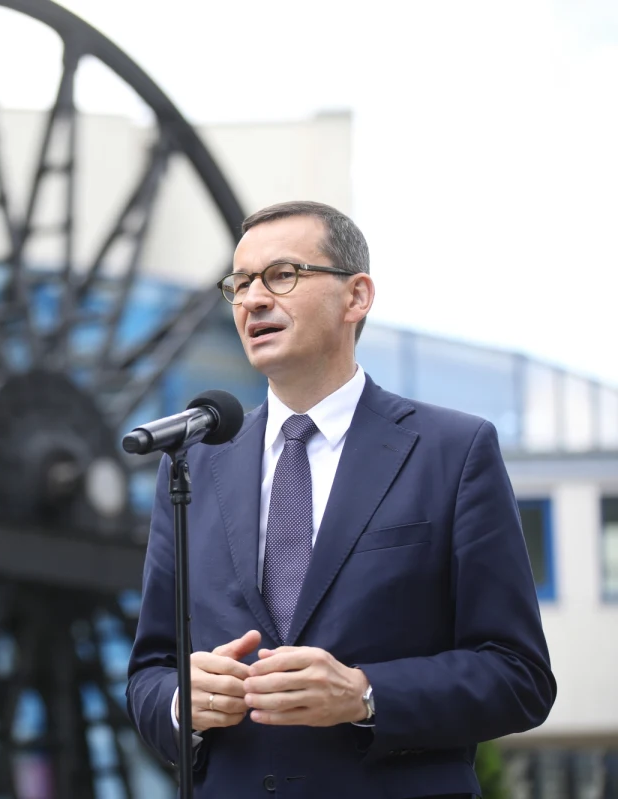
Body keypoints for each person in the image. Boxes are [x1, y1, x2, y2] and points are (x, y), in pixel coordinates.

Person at [125, 201, 555, 798]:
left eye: (282, 275)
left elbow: (519, 675)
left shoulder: (453, 451)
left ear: (356, 297)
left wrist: (365, 694)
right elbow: (149, 672)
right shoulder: (194, 464)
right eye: (240, 284)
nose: (253, 300)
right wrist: (182, 703)